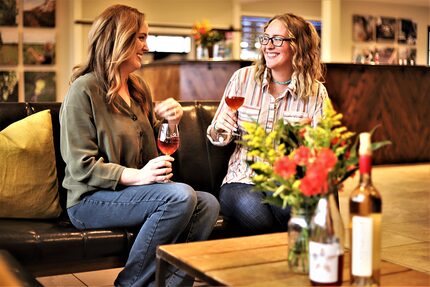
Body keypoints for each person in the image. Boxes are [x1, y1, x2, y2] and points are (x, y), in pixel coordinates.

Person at [60, 5, 219, 287]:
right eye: (141, 38)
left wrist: (170, 122)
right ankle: (129, 284)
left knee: (207, 203)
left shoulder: (138, 87)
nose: (147, 46)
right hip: (91, 200)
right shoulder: (83, 90)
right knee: (180, 196)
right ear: (119, 39)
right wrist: (139, 176)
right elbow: (80, 165)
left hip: (135, 193)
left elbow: (151, 145)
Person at [207, 13, 328, 235]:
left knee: (294, 210)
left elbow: (323, 154)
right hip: (242, 179)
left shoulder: (316, 93)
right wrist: (219, 129)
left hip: (287, 181)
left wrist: (308, 142)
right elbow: (217, 135)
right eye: (266, 38)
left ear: (298, 46)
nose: (268, 46)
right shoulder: (242, 79)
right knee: (257, 216)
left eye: (278, 39)